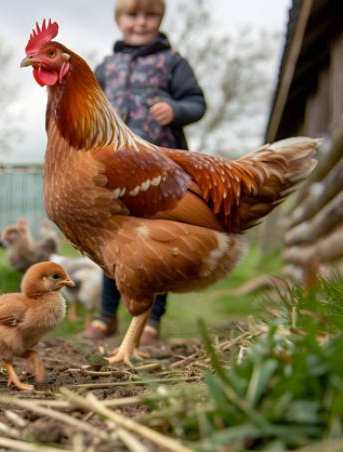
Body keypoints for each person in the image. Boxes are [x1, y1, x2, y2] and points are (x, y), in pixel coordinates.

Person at [81, 0, 206, 343]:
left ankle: (151, 321)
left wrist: (177, 109)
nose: (140, 22)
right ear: (119, 20)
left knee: (156, 246)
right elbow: (89, 105)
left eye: (149, 15)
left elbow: (197, 102)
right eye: (132, 15)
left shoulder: (173, 63)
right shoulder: (107, 66)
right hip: (114, 168)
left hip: (158, 172)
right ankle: (107, 317)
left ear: (160, 19)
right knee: (113, 244)